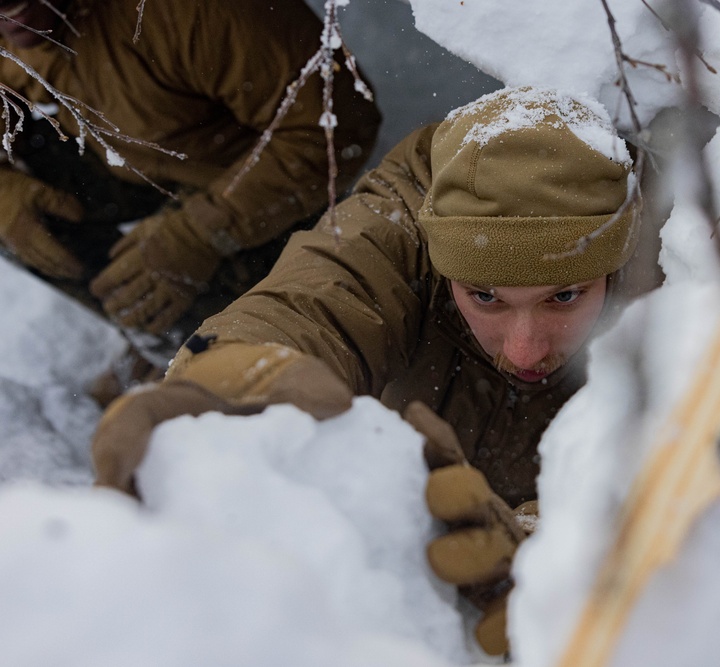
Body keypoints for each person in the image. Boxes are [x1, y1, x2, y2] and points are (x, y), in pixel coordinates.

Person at [90, 86, 663, 655]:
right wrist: (230, 380)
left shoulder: (684, 269)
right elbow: (317, 297)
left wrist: (559, 538)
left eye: (563, 297)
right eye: (485, 297)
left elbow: (682, 448)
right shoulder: (405, 223)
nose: (522, 349)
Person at [0, 0, 381, 369]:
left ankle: (233, 349)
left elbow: (340, 123)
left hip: (262, 184)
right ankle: (167, 339)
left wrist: (200, 232)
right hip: (139, 158)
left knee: (249, 340)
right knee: (22, 211)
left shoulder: (189, 10)